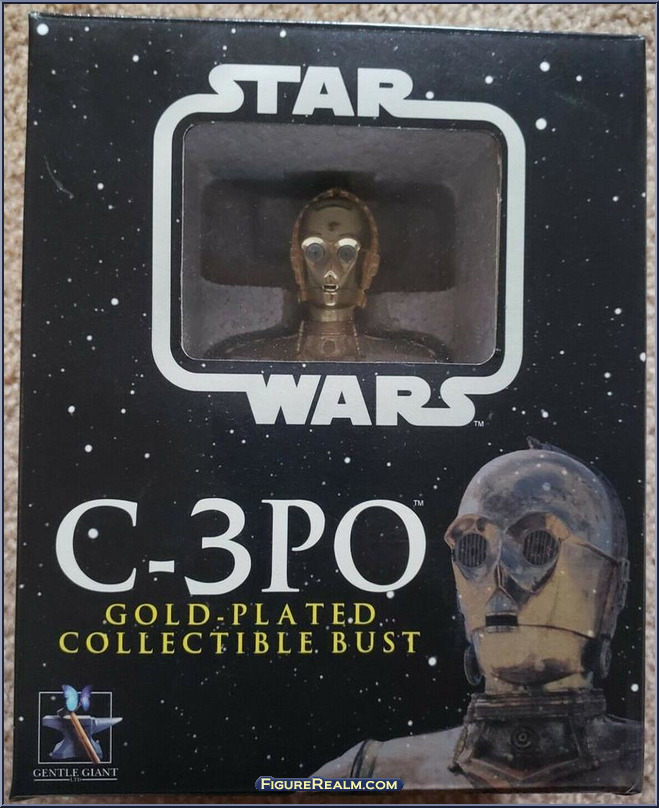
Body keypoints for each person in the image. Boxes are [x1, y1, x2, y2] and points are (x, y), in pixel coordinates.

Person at [314, 441, 642, 790]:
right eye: (474, 549)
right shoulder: (368, 775)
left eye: (537, 545)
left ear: (611, 585)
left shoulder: (643, 764)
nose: (500, 578)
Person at [207, 189, 448, 362]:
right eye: (315, 251)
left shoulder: (411, 360)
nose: (330, 270)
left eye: (346, 252)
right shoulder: (246, 358)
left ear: (368, 265)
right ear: (297, 261)